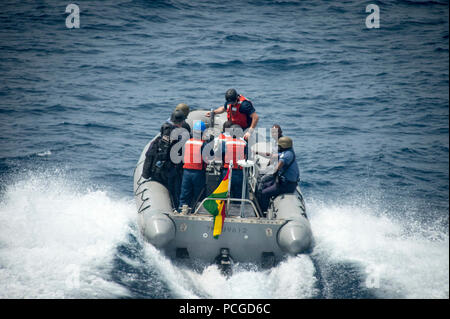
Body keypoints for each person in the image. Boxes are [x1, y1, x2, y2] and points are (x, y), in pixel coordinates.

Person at [142, 110, 187, 209]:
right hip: (167, 170)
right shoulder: (176, 134)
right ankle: (175, 208)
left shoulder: (165, 130)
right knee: (175, 190)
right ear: (180, 122)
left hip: (159, 168)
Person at [258, 136, 299, 213]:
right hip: (283, 182)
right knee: (264, 185)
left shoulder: (286, 155)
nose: (278, 147)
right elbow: (273, 156)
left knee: (264, 193)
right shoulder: (287, 152)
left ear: (283, 146)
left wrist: (268, 172)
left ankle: (263, 212)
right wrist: (258, 153)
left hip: (287, 185)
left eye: (279, 146)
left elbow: (278, 167)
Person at [179, 120, 207, 210]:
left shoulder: (188, 142)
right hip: (198, 173)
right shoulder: (203, 144)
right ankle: (198, 211)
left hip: (186, 172)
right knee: (199, 194)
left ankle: (182, 210)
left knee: (185, 193)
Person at [219, 121, 247, 198]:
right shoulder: (244, 143)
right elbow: (246, 157)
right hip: (239, 172)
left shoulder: (226, 143)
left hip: (227, 171)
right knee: (238, 195)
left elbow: (221, 154)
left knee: (223, 194)